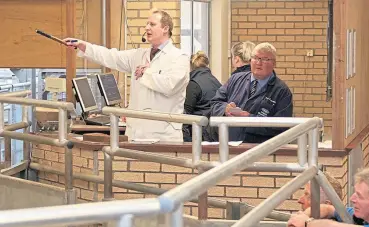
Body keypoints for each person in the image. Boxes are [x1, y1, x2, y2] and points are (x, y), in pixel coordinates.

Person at [64, 9, 189, 142]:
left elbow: (170, 86)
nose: (147, 28)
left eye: (152, 24)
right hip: (135, 133)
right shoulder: (139, 55)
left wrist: (145, 73)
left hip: (163, 136)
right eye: (146, 24)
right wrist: (84, 46)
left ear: (165, 28)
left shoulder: (179, 58)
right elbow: (111, 56)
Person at [210, 42, 293, 143]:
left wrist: (249, 118)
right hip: (228, 147)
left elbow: (281, 127)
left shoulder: (282, 91)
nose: (258, 63)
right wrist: (225, 109)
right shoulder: (235, 79)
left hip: (259, 150)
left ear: (274, 63)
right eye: (255, 58)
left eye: (265, 59)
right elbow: (215, 103)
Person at [286, 166, 369, 227]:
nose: (352, 199)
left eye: (359, 196)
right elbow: (327, 209)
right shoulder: (364, 216)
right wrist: (299, 223)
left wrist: (306, 223)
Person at [182, 51, 221, 142]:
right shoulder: (216, 81)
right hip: (215, 130)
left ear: (191, 67)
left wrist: (186, 139)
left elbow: (186, 113)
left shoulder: (193, 84)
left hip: (200, 133)